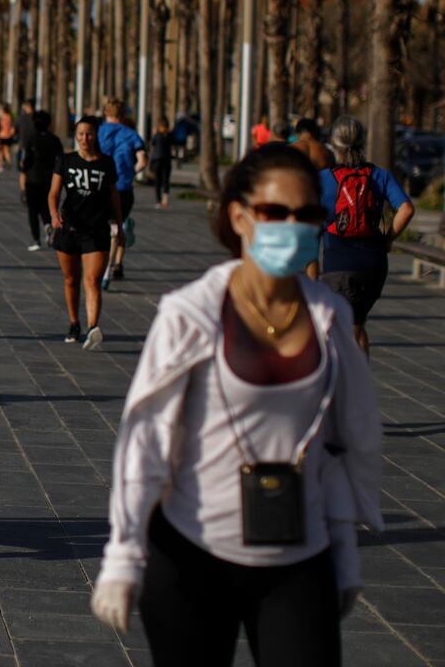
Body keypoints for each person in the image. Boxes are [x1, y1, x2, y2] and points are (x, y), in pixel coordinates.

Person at [92, 143, 382, 667]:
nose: (291, 226)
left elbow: (343, 443)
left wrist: (345, 551)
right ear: (240, 217)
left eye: (307, 214)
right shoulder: (191, 314)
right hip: (192, 556)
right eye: (275, 212)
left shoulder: (331, 318)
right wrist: (124, 555)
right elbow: (147, 440)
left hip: (300, 557)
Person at [319, 117, 415, 356]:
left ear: (333, 144)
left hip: (339, 265)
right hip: (374, 264)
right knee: (357, 326)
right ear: (362, 142)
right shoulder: (380, 176)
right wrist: (388, 238)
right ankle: (360, 383)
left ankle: (349, 387)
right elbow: (406, 209)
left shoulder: (323, 179)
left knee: (346, 331)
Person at [49, 116, 124, 348]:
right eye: (80, 134)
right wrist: (53, 214)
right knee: (71, 279)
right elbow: (53, 192)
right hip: (69, 227)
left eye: (89, 134)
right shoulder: (66, 160)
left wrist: (119, 227)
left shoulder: (106, 163)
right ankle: (74, 323)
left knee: (91, 280)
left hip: (96, 230)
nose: (84, 138)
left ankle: (93, 327)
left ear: (96, 135)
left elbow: (114, 197)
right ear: (76, 135)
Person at [98, 98, 146, 284]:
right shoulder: (132, 135)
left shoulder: (98, 132)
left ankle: (102, 266)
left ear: (105, 113)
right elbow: (143, 161)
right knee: (115, 228)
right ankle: (110, 268)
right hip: (123, 188)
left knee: (102, 226)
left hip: (100, 186)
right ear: (123, 115)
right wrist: (130, 173)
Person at [22, 110, 63, 251]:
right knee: (46, 206)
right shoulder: (55, 140)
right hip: (49, 179)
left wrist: (23, 169)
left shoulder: (31, 139)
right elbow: (61, 159)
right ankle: (47, 226)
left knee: (32, 210)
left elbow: (26, 162)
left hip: (33, 178)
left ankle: (36, 239)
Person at [150, 117, 173, 209]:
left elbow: (152, 145)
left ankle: (158, 201)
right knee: (166, 180)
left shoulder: (157, 135)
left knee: (158, 181)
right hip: (167, 160)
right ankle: (165, 200)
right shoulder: (169, 135)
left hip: (157, 160)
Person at [0, 103, 16, 171]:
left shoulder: (1, 117)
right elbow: (12, 126)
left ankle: (1, 165)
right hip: (8, 135)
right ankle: (9, 163)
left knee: (0, 151)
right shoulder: (10, 116)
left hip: (1, 135)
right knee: (7, 150)